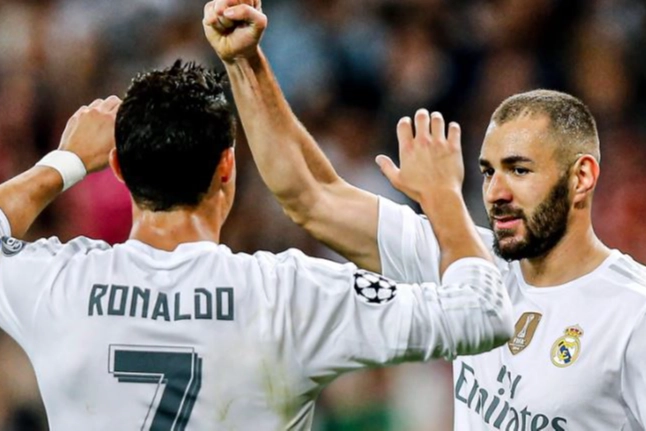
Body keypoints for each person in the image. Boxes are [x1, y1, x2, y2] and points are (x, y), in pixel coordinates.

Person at [202, 0, 646, 429]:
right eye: (488, 172)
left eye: (519, 170)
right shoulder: (471, 267)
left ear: (581, 177)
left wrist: (441, 196)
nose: (496, 192)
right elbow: (310, 197)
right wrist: (245, 61)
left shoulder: (632, 313)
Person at [0, 59, 513, 429]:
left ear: (117, 168)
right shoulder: (289, 293)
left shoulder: (59, 285)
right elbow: (482, 314)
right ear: (228, 166)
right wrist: (442, 196)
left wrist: (65, 161)